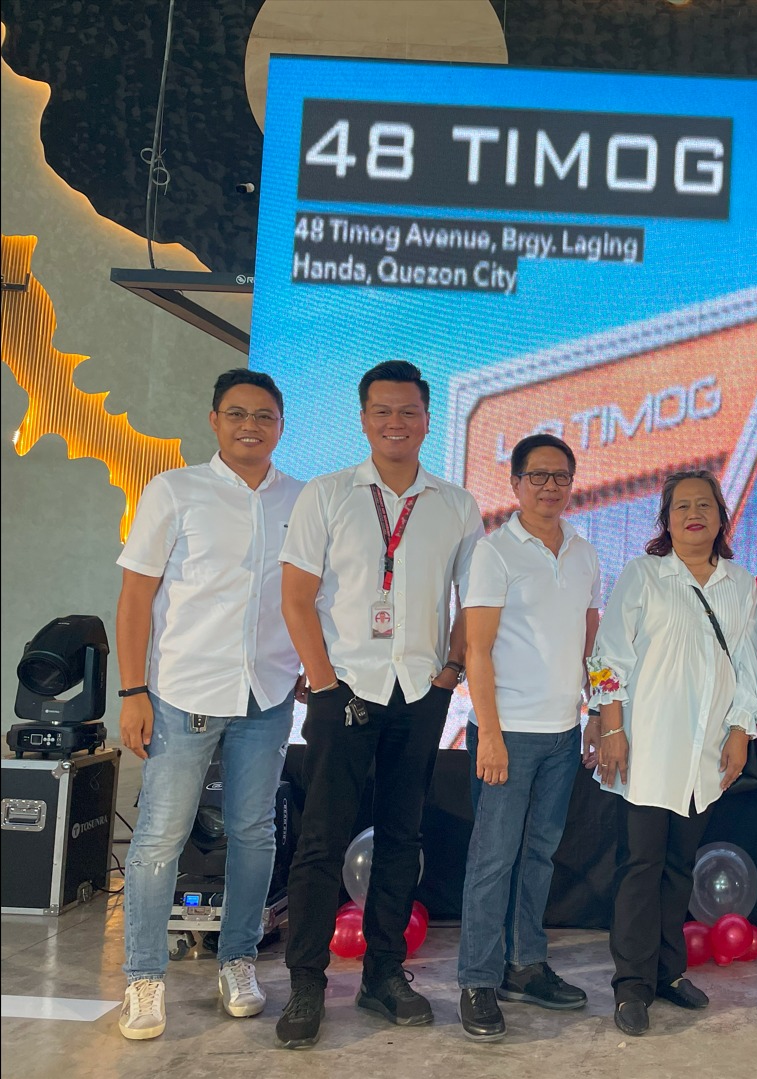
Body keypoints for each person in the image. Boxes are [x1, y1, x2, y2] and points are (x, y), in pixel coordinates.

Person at [275, 360, 482, 1049]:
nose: (396, 423)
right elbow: (296, 598)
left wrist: (450, 672)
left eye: (409, 411)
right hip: (343, 689)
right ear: (363, 419)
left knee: (402, 838)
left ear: (427, 419)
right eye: (383, 411)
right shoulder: (328, 494)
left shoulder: (455, 504)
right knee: (320, 840)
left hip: (420, 691)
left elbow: (472, 599)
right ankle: (307, 981)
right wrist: (323, 681)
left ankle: (384, 975)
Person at [113, 370, 303, 1040]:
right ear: (214, 419)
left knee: (254, 831)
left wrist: (312, 666)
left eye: (264, 415)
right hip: (182, 689)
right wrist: (131, 691)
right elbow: (135, 598)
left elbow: (310, 596)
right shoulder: (175, 490)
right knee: (160, 836)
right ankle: (143, 977)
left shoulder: (302, 499)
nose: (251, 425)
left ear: (281, 424)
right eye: (237, 413)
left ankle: (238, 960)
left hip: (268, 691)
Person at [587, 470, 757, 1037]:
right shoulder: (644, 575)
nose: (694, 514)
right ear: (666, 519)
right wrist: (612, 728)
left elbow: (748, 664)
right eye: (682, 506)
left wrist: (740, 731)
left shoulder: (740, 582)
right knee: (640, 866)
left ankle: (667, 973)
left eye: (704, 505)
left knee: (679, 866)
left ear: (721, 516)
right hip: (646, 747)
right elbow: (608, 656)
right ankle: (631, 986)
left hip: (704, 754)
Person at [455, 433, 601, 1041]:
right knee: (493, 861)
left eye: (560, 476)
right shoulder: (494, 553)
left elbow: (591, 642)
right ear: (515, 484)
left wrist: (595, 712)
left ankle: (525, 965)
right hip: (507, 734)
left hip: (563, 733)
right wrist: (488, 734)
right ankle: (477, 980)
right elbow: (477, 651)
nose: (550, 486)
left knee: (538, 856)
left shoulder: (584, 552)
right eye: (537, 476)